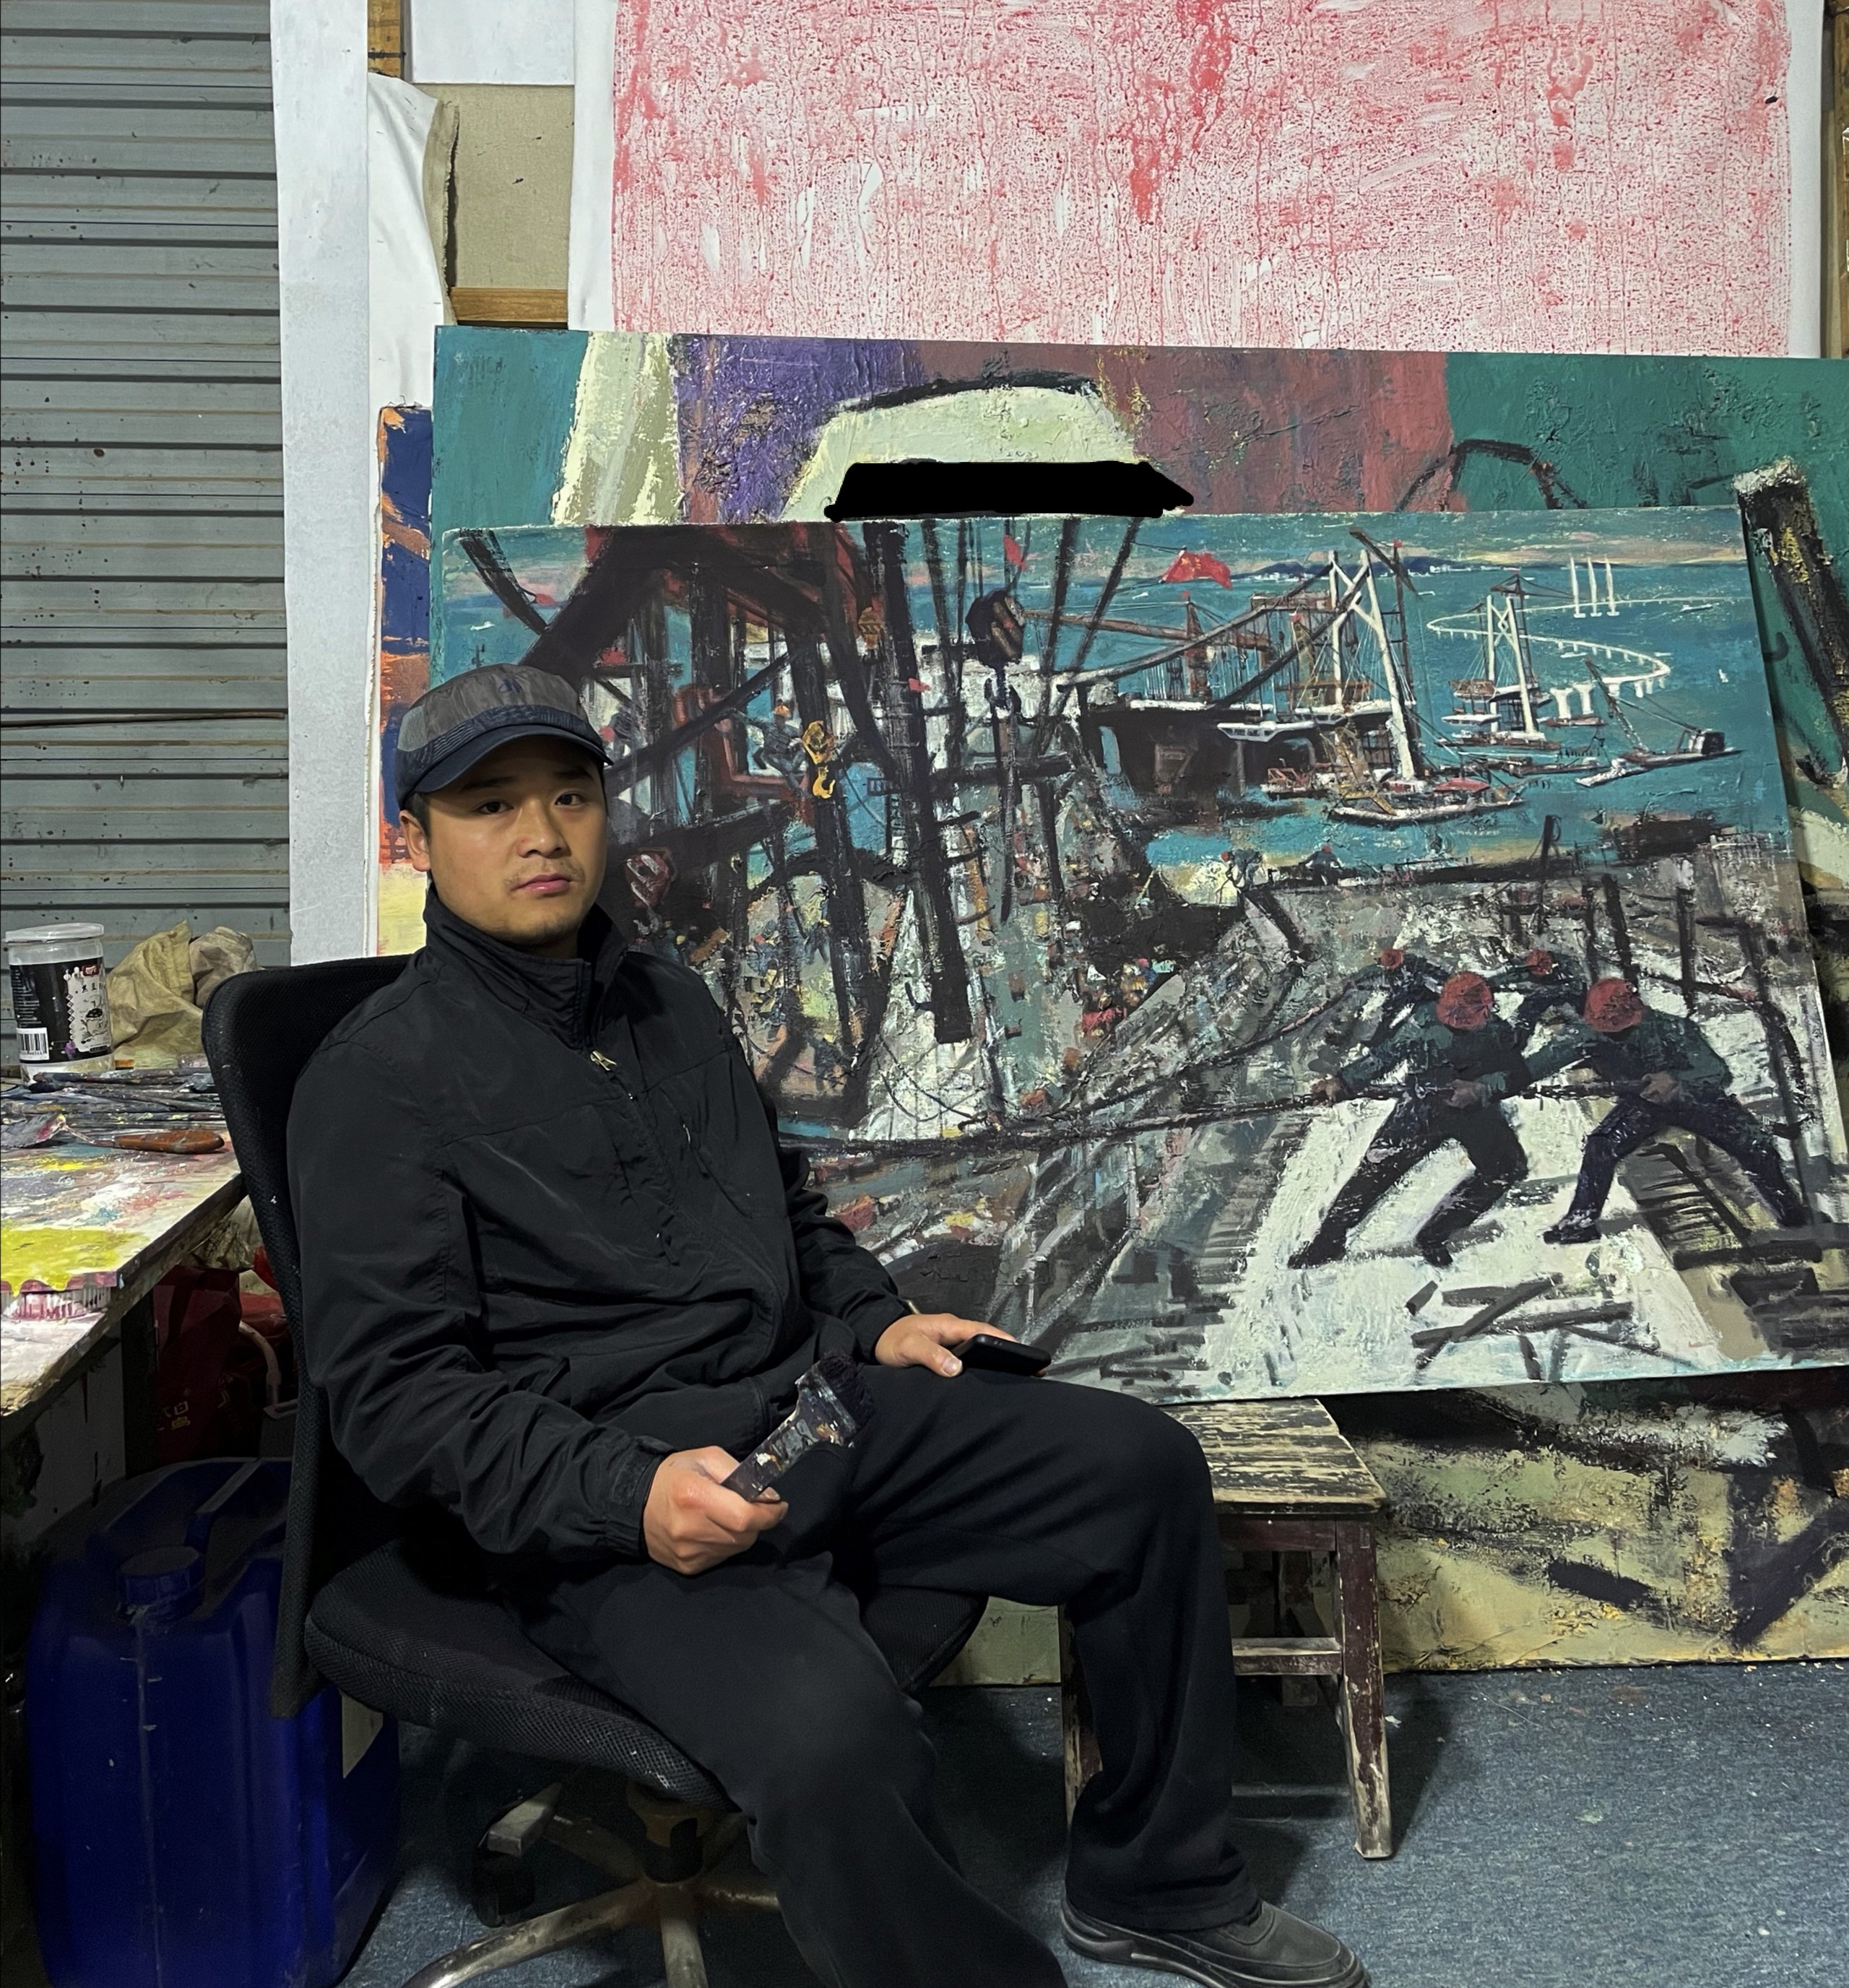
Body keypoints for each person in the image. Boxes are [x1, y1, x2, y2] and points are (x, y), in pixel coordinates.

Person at [289, 665, 1369, 1988]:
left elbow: (786, 1212)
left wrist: (875, 1321)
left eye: (570, 795)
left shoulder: (668, 1003)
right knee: (826, 1738)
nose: (542, 833)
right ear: (416, 835)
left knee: (1139, 1471)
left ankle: (1161, 1882)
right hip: (612, 1497)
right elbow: (398, 1398)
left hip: (809, 1411)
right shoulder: (377, 1079)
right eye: (491, 804)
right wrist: (630, 1496)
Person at [1525, 978, 1806, 1243]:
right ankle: (1581, 1222)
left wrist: (1676, 1080)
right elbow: (1537, 1065)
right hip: (1645, 1106)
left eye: (1621, 1028)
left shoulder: (1673, 1028)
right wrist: (1506, 1083)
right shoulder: (1587, 1034)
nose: (1616, 1035)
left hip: (1698, 1102)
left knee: (1756, 1145)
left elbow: (1717, 1072)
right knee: (1601, 1145)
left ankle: (1790, 1210)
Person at [1289, 971, 1531, 1270]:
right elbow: (1384, 1057)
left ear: (1485, 1010)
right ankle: (1327, 1244)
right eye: (1451, 1013)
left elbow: (1517, 1074)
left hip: (1475, 1114)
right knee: (1374, 1173)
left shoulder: (1496, 1032)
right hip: (1421, 1109)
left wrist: (1482, 1089)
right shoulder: (1422, 1022)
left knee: (1506, 1168)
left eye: (1466, 1015)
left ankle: (1435, 1234)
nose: (1457, 1020)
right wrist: (1342, 1083)